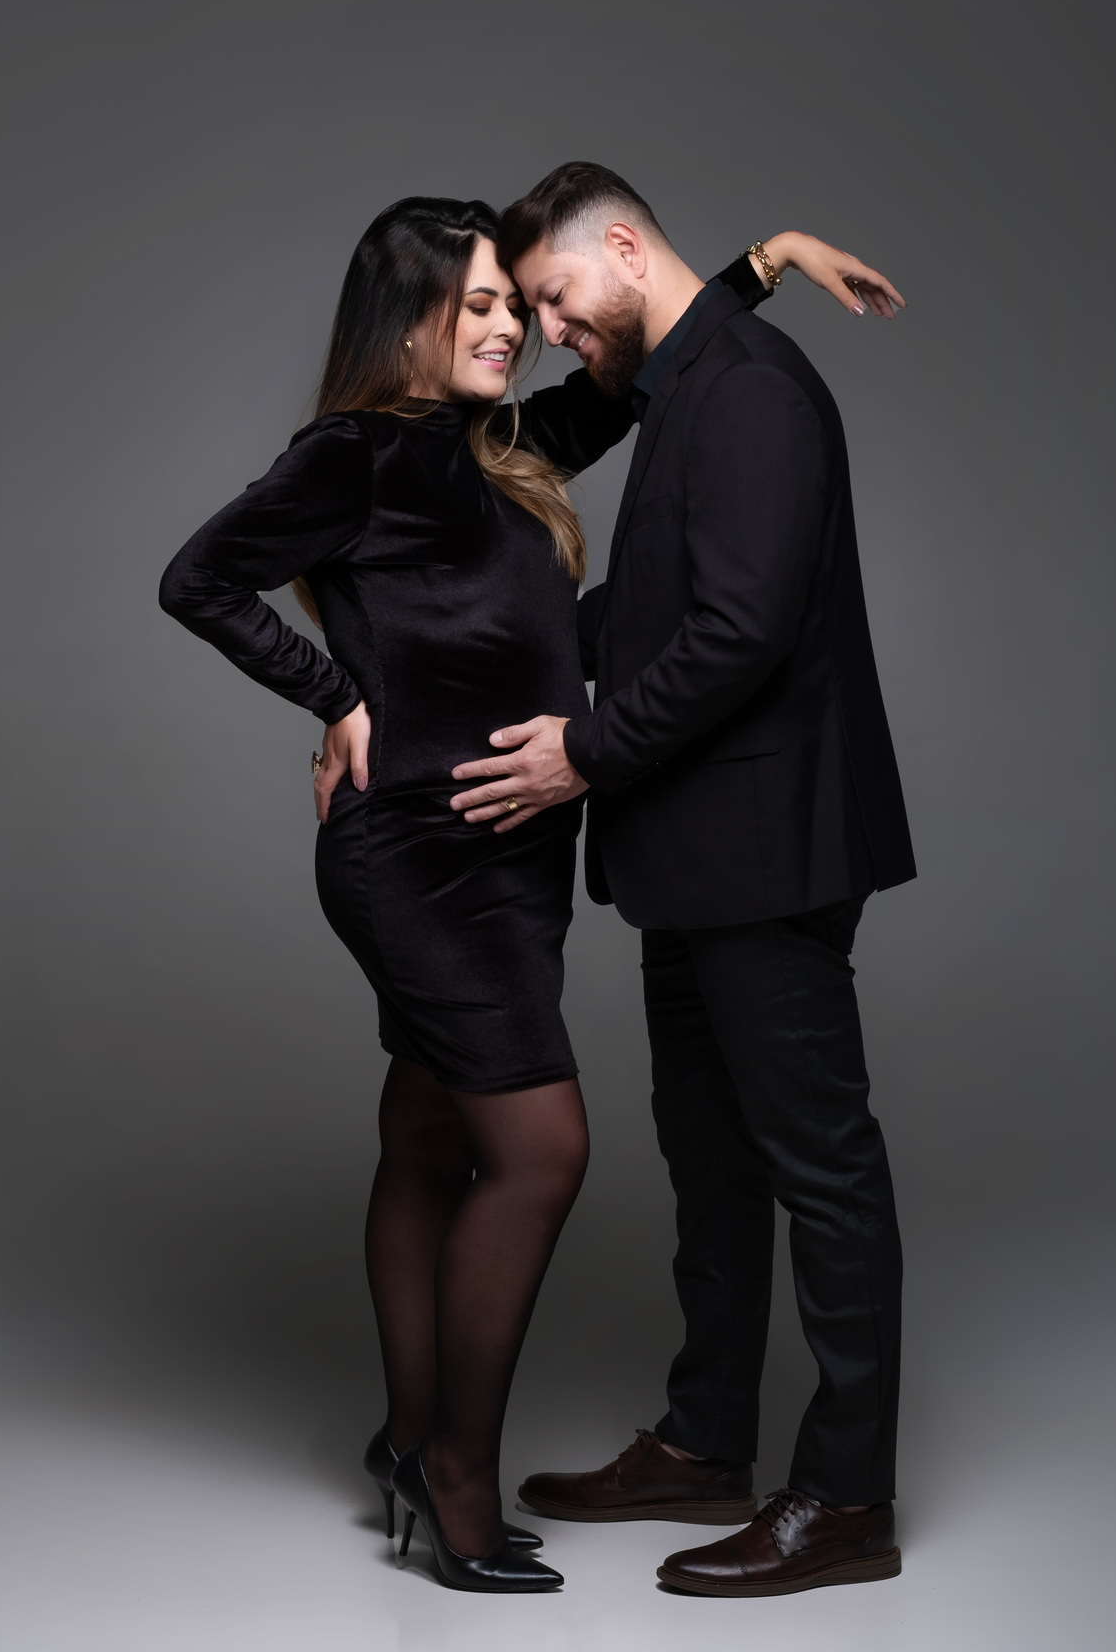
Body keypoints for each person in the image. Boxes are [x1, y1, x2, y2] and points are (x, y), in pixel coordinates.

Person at [159, 192, 901, 1594]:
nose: (520, 330)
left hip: (516, 855)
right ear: (407, 322)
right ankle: (456, 1477)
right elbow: (198, 578)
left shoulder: (497, 449)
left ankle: (407, 1437)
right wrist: (336, 698)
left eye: (522, 303)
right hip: (422, 852)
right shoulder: (354, 454)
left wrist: (767, 262)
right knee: (541, 1151)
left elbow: (643, 354)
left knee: (429, 1134)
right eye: (486, 306)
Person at [450, 162, 913, 1599]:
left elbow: (741, 632)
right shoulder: (685, 379)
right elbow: (654, 606)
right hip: (694, 855)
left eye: (554, 298)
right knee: (713, 1166)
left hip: (767, 851)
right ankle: (707, 1442)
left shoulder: (752, 394)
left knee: (820, 1167)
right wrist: (458, 666)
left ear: (624, 249)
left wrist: (581, 755)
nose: (547, 331)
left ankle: (846, 1500)